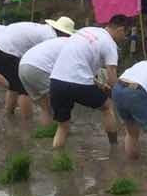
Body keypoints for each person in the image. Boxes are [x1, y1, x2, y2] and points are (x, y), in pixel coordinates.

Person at [48, 17, 133, 149]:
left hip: (56, 81)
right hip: (78, 83)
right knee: (107, 107)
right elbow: (111, 77)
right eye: (125, 35)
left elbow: (79, 64)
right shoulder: (110, 44)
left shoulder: (85, 30)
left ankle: (56, 158)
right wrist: (121, 97)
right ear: (120, 30)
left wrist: (99, 84)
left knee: (63, 126)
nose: (124, 39)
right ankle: (114, 148)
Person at [0, 17, 76, 117]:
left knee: (14, 85)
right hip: (5, 51)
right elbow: (47, 62)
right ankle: (27, 121)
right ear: (64, 33)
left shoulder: (43, 29)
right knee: (24, 90)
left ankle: (8, 114)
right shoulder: (51, 37)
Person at [18, 30, 76, 124]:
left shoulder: (54, 42)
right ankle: (64, 130)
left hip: (22, 66)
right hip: (37, 68)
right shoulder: (72, 45)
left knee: (46, 109)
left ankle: (40, 131)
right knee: (62, 102)